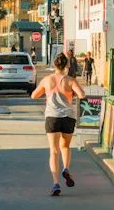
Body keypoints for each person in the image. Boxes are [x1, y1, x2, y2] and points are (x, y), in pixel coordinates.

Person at [32, 53, 86, 196]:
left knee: (53, 151)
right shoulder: (70, 80)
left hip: (52, 117)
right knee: (65, 146)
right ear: (66, 66)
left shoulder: (47, 80)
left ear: (54, 65)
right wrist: (70, 93)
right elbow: (82, 95)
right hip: (68, 117)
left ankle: (56, 183)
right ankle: (66, 168)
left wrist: (47, 93)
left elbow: (34, 95)